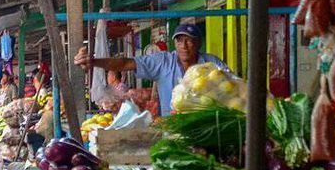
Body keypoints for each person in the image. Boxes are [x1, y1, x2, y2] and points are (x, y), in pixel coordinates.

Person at [76, 22, 229, 116]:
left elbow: (230, 86)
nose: (184, 46)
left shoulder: (211, 63)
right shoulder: (163, 61)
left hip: (206, 126)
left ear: (199, 43)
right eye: (180, 40)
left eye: (189, 41)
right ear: (175, 43)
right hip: (173, 127)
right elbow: (125, 63)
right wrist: (94, 62)